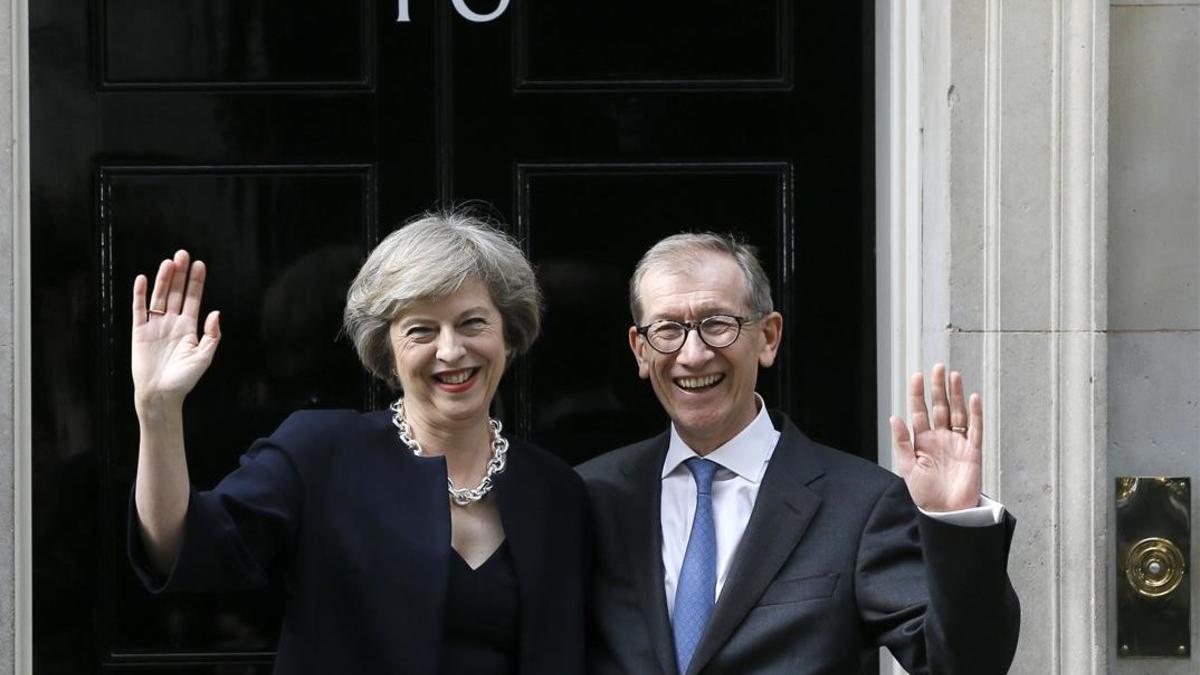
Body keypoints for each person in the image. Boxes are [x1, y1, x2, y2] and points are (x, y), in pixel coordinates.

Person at [129, 212, 588, 674]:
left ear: (508, 335)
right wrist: (158, 410)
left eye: (472, 323)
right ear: (387, 351)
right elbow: (181, 548)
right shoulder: (321, 453)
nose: (450, 350)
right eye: (421, 330)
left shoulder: (556, 490)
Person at [577, 233, 1020, 674]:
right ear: (640, 349)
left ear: (768, 337)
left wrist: (954, 522)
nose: (693, 354)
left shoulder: (860, 506)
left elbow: (966, 666)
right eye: (668, 330)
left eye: (717, 323)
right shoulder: (591, 497)